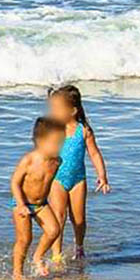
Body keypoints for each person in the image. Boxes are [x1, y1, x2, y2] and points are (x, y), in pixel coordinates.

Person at [46, 85, 110, 262]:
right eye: (52, 108)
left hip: (78, 181)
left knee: (79, 219)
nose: (53, 111)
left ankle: (79, 247)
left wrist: (102, 176)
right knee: (58, 217)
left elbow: (95, 154)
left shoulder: (84, 131)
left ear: (72, 110)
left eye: (57, 108)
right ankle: (56, 254)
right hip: (57, 179)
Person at [9, 117, 66, 280]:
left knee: (54, 230)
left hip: (41, 204)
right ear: (40, 141)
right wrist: (20, 204)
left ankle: (37, 257)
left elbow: (47, 182)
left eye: (60, 143)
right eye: (55, 143)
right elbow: (15, 182)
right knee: (24, 239)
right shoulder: (29, 160)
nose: (58, 147)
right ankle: (17, 272)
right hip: (22, 203)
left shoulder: (57, 161)